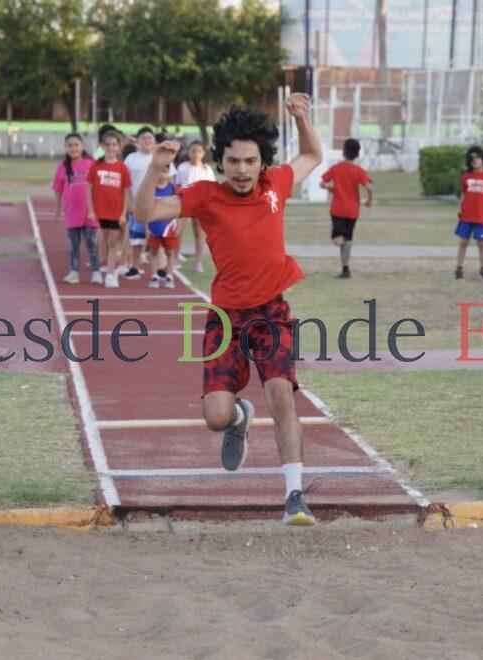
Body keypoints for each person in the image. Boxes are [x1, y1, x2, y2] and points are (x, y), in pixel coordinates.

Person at [134, 95, 322, 526]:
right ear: (220, 160)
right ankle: (240, 416)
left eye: (250, 161)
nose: (241, 169)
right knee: (216, 417)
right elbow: (145, 212)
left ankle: (294, 494)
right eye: (233, 160)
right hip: (225, 317)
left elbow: (313, 154)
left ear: (262, 162)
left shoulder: (277, 185)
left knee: (280, 391)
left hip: (271, 311)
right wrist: (157, 167)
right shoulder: (205, 196)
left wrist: (301, 117)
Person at [319, 138, 373, 279]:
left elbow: (322, 184)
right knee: (347, 240)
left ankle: (342, 243)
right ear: (357, 154)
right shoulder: (359, 171)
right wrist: (369, 200)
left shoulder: (336, 168)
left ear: (343, 152)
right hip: (353, 211)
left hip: (338, 210)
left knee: (337, 239)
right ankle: (345, 269)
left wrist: (332, 188)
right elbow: (368, 186)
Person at [52, 133, 100, 285]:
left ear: (82, 146)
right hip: (72, 212)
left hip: (90, 211)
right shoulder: (62, 167)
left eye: (76, 145)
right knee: (73, 244)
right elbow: (57, 190)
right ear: (66, 148)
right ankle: (74, 272)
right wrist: (57, 209)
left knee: (91, 242)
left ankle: (96, 272)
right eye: (70, 145)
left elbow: (99, 187)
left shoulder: (91, 163)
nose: (73, 148)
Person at [87, 132, 132, 288]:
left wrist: (123, 213)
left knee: (113, 242)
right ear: (102, 146)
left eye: (114, 145)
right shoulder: (96, 165)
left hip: (116, 212)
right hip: (100, 211)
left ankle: (111, 274)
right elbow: (89, 189)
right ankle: (102, 267)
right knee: (102, 241)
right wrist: (91, 210)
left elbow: (126, 192)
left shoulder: (122, 168)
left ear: (119, 148)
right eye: (108, 145)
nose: (111, 147)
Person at [454, 146, 483, 281]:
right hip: (467, 215)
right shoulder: (467, 176)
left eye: (477, 157)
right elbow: (464, 193)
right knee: (463, 242)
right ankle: (459, 269)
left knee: (482, 243)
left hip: (482, 216)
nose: (474, 161)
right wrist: (460, 207)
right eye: (471, 159)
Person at [124, 127, 162, 281]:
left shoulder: (160, 157)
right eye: (144, 138)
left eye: (150, 138)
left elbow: (170, 180)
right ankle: (135, 267)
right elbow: (125, 184)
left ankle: (160, 270)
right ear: (138, 141)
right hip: (136, 206)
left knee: (158, 238)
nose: (147, 141)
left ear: (155, 141)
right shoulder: (131, 158)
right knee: (137, 239)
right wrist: (128, 204)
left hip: (158, 206)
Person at [175, 141, 218, 273]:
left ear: (203, 153)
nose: (195, 154)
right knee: (178, 231)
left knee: (199, 234)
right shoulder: (182, 167)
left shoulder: (206, 169)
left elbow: (211, 189)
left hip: (200, 206)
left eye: (199, 151)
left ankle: (198, 262)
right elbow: (177, 185)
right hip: (184, 203)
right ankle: (175, 258)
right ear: (189, 152)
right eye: (193, 151)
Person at [147, 170, 182, 289]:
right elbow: (146, 210)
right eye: (159, 172)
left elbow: (179, 208)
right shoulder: (150, 189)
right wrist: (146, 228)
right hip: (154, 226)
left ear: (169, 174)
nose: (161, 175)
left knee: (169, 252)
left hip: (169, 227)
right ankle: (154, 275)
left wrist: (179, 225)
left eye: (165, 172)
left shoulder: (173, 189)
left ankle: (169, 275)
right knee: (153, 251)